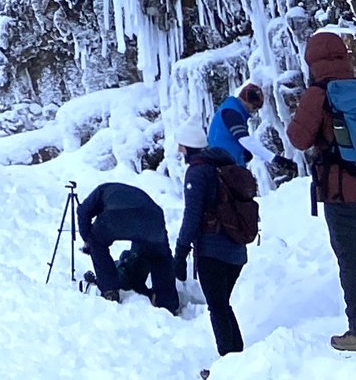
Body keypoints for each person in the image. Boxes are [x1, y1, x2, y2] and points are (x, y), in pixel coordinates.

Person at [287, 31, 356, 354]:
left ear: (312, 61)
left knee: (350, 262)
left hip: (339, 192)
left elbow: (298, 139)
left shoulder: (317, 95)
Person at [175, 92, 261, 363]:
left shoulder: (197, 172)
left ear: (188, 147)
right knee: (222, 305)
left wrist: (180, 253)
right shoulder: (224, 164)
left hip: (213, 250)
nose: (179, 151)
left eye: (181, 146)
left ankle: (229, 364)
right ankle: (237, 360)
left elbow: (192, 215)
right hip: (237, 251)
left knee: (218, 307)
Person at [77, 180, 177, 311]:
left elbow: (82, 211)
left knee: (96, 241)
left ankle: (110, 290)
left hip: (117, 212)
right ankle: (166, 301)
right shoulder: (121, 191)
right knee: (160, 256)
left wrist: (87, 239)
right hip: (153, 215)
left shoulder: (100, 192)